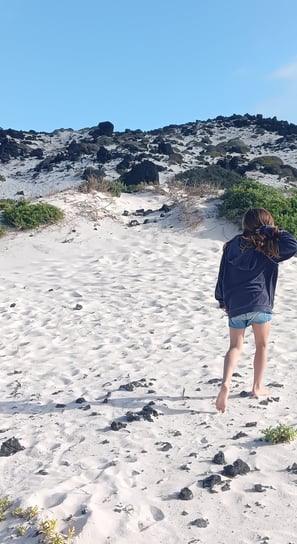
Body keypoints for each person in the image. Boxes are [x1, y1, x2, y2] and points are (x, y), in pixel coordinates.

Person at [215, 207, 297, 413]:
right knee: (262, 345)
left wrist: (221, 299)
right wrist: (271, 230)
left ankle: (226, 382)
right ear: (264, 224)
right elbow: (292, 243)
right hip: (260, 302)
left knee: (235, 346)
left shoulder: (232, 246)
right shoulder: (268, 247)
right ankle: (257, 387)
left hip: (235, 303)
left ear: (245, 224)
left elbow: (222, 273)